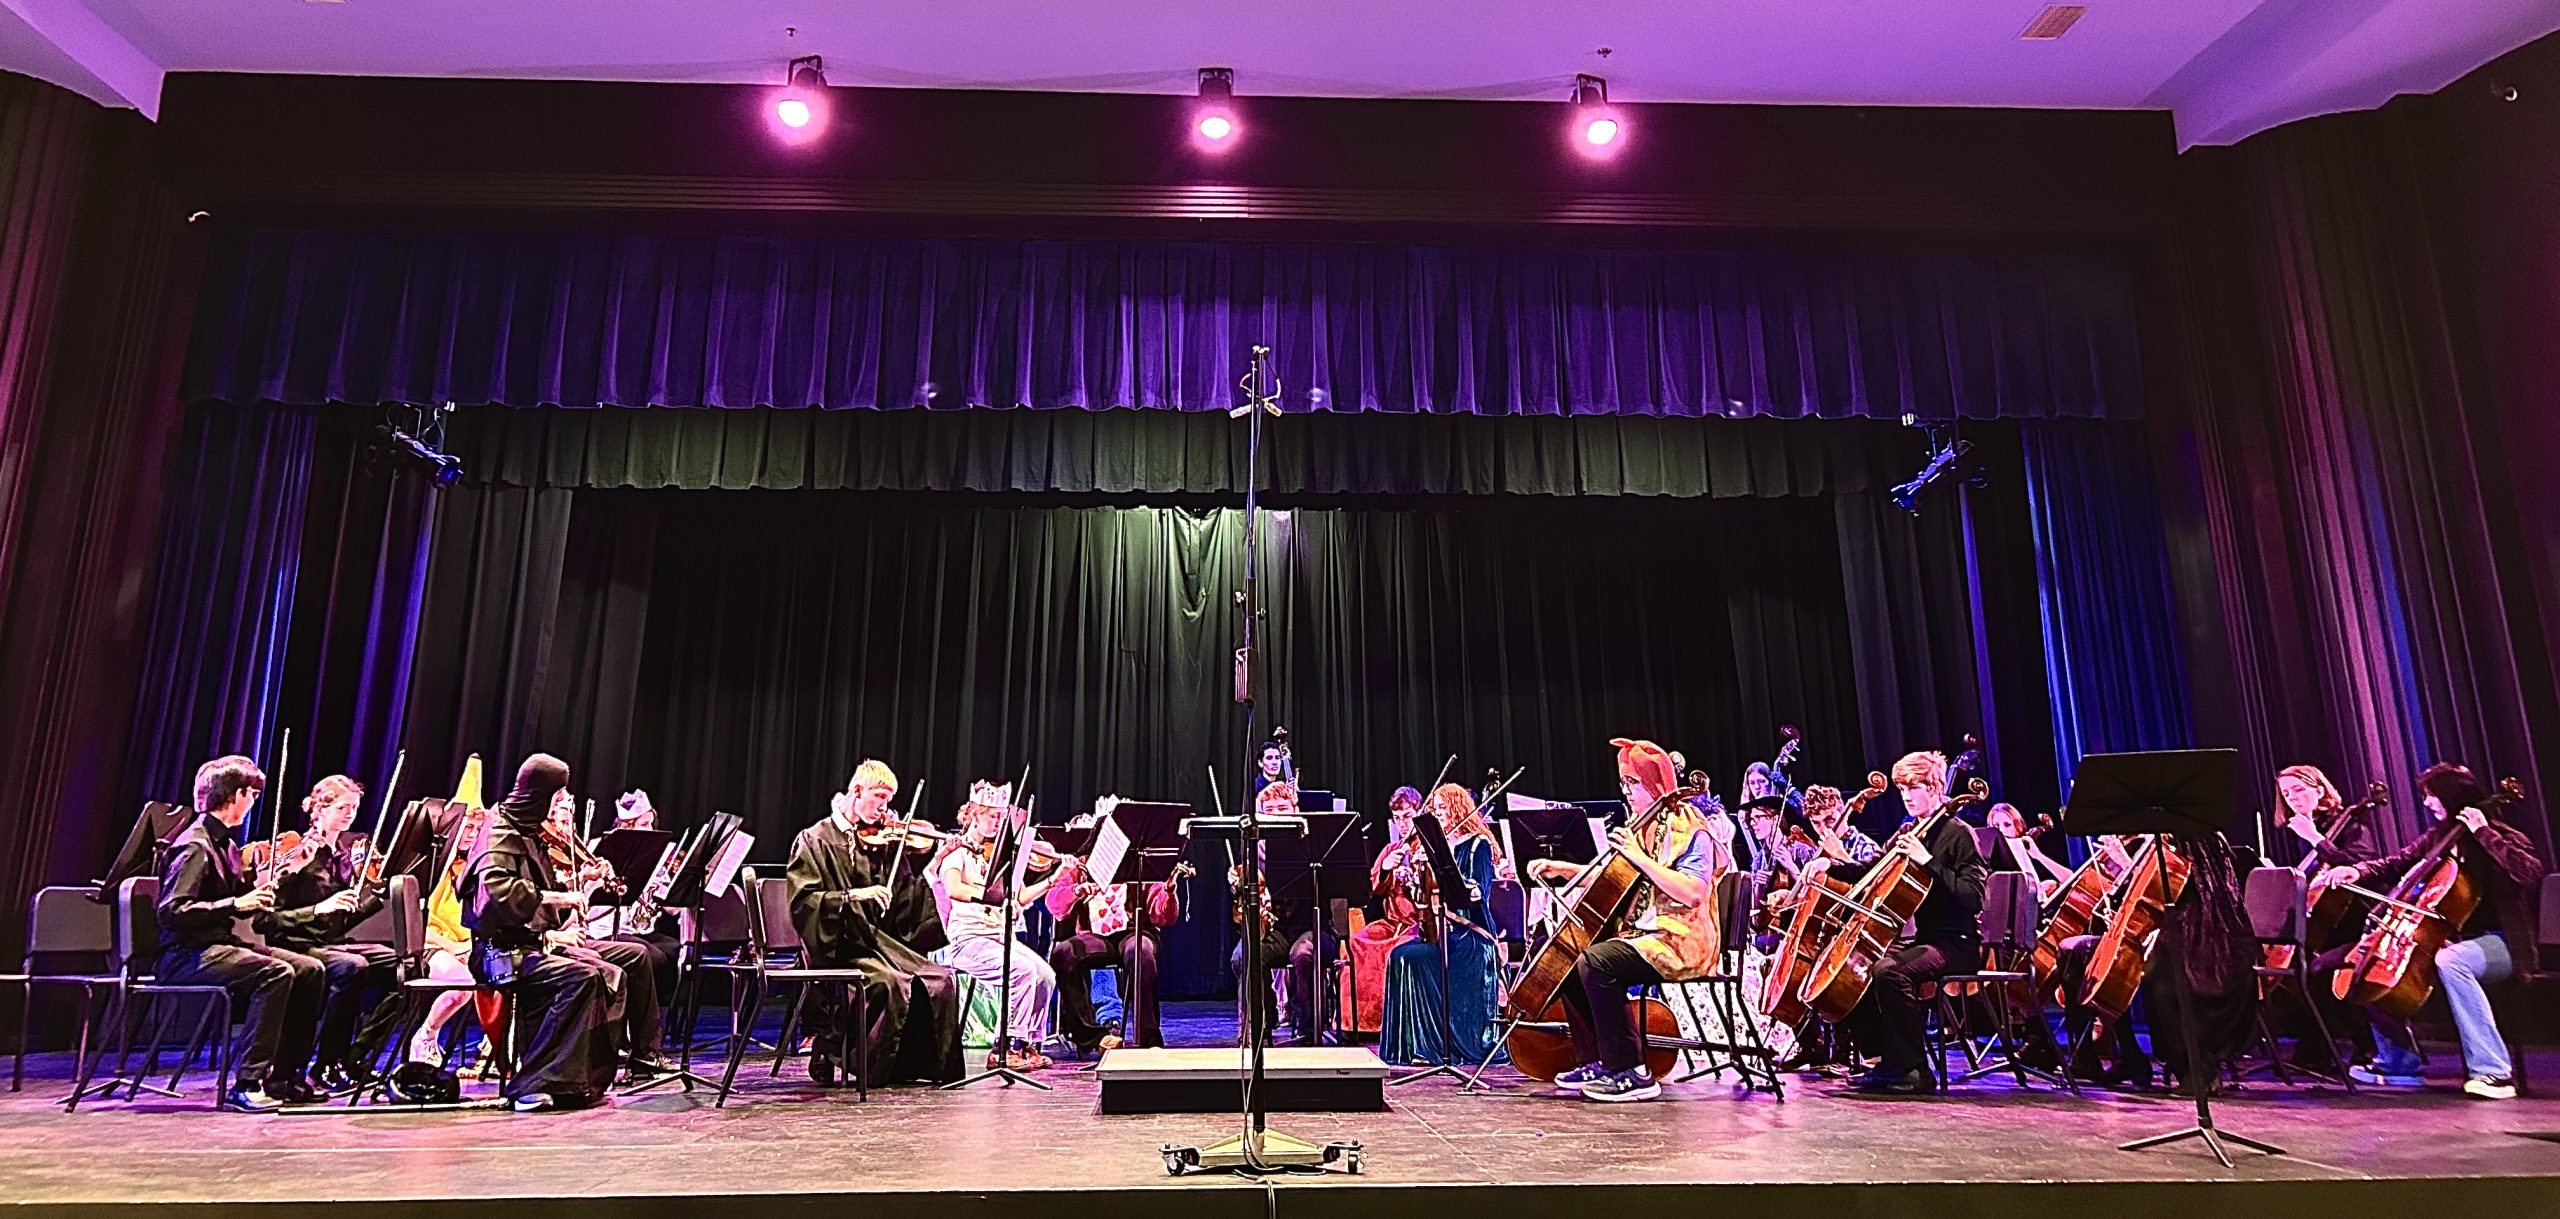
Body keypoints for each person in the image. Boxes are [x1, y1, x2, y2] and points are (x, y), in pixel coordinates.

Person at [2323, 762, 2545, 1099]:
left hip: (2504, 943)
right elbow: (2398, 861)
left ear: (2451, 796)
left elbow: (2530, 873)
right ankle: (2399, 1061)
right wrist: (2357, 871)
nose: (2426, 803)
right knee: (2364, 965)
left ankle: (2494, 1071)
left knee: (2451, 962)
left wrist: (2484, 833)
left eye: (2430, 796)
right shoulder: (2440, 836)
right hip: (2451, 939)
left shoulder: (2501, 834)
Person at [1523, 739, 1724, 1102]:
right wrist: (1563, 869)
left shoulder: (1691, 828)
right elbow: (1616, 879)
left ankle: (1632, 1070)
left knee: (1598, 962)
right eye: (1624, 783)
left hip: (1680, 939)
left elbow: (1694, 892)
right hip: (1644, 933)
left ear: (1656, 784)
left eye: (1633, 783)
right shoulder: (1644, 826)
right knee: (1569, 955)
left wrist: (1637, 855)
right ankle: (1598, 1059)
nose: (1626, 791)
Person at [152, 755, 327, 1111]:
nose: (253, 803)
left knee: (310, 969)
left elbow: (245, 895)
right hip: (186, 955)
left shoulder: (227, 846)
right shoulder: (195, 846)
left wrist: (283, 872)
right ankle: (247, 1082)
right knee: (275, 971)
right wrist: (235, 904)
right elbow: (172, 911)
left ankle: (286, 1075)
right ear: (237, 795)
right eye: (252, 795)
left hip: (218, 946)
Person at [458, 753, 626, 1112]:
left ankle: (581, 1080)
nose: (560, 804)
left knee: (610, 974)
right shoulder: (498, 831)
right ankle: (532, 1082)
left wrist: (571, 894)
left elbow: (539, 888)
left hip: (527, 946)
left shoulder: (526, 832)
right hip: (498, 953)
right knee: (579, 978)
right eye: (557, 795)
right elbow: (496, 893)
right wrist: (557, 897)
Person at [785, 759, 965, 1085]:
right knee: (890, 983)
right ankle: (842, 1052)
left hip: (874, 941)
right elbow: (804, 902)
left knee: (940, 980)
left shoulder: (877, 842)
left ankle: (912, 1068)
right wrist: (853, 896)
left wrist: (934, 862)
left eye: (889, 800)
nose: (884, 808)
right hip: (838, 942)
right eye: (879, 797)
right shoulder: (815, 839)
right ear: (857, 791)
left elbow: (902, 903)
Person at [1834, 750, 1987, 1097]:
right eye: (1902, 788)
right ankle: (1885, 1061)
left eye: (1914, 787)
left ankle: (1915, 1069)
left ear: (1935, 787)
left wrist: (1928, 861)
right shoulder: (1910, 830)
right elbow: (1872, 869)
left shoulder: (1959, 834)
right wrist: (1831, 867)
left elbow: (1973, 897)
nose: (1906, 795)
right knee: (1855, 967)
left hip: (1958, 943)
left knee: (1891, 971)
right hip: (1927, 939)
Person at [252, 774, 398, 1092]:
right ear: (319, 809)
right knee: (352, 968)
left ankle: (354, 1057)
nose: (350, 814)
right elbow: (264, 922)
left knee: (404, 968)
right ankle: (326, 1063)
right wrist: (317, 910)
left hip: (332, 943)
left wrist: (378, 894)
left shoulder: (343, 857)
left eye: (354, 808)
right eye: (343, 807)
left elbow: (341, 921)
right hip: (296, 946)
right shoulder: (296, 855)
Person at [538, 789, 671, 1079]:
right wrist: (583, 885)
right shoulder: (538, 852)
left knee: (639, 955)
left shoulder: (571, 854)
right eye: (560, 820)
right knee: (637, 958)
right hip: (549, 941)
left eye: (569, 821)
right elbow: (541, 909)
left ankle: (646, 1055)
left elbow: (574, 911)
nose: (565, 830)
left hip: (576, 935)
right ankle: (600, 1065)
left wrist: (586, 885)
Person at [932, 780, 1061, 1071]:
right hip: (968, 940)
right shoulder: (957, 853)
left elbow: (1020, 896)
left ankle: (1030, 1044)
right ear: (974, 815)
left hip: (1001, 938)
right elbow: (953, 888)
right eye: (992, 817)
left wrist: (1054, 878)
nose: (998, 824)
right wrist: (989, 898)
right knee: (1022, 970)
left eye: (1002, 818)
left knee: (1046, 975)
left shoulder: (1001, 859)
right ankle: (1003, 1047)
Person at [1380, 782, 1508, 1066]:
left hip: (1472, 936)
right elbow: (1423, 899)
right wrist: (1414, 878)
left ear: (1457, 807)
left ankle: (1436, 1046)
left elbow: (1478, 892)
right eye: (1435, 809)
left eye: (1442, 808)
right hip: (1442, 932)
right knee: (1400, 955)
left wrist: (1447, 877)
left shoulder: (1478, 844)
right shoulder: (1437, 845)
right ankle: (1417, 1045)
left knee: (1411, 958)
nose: (1437, 814)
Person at [1048, 795, 1185, 1054]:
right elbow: (1054, 904)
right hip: (1096, 937)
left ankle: (1147, 1038)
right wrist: (1077, 891)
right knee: (1063, 953)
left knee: (1140, 952)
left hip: (1135, 932)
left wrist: (1168, 891)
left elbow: (1162, 917)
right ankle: (1090, 1036)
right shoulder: (1082, 864)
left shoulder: (1141, 860)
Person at [1227, 778, 1321, 1046]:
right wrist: (1238, 886)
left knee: (1303, 954)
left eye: (1283, 809)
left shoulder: (1313, 842)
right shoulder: (1253, 850)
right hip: (1276, 930)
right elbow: (1242, 910)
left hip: (1311, 926)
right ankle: (1259, 1026)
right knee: (1243, 957)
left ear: (1295, 808)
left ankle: (1308, 1029)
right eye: (1271, 811)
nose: (1277, 816)